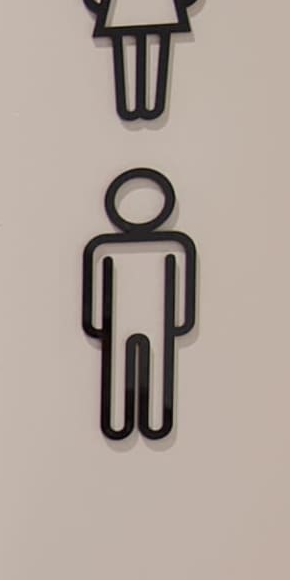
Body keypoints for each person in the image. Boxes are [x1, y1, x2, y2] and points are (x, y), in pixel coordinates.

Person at [81, 169, 195, 441]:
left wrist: (98, 327)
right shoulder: (106, 250)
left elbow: (183, 314)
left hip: (145, 326)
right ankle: (130, 425)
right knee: (122, 382)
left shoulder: (169, 248)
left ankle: (143, 425)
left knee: (150, 385)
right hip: (125, 325)